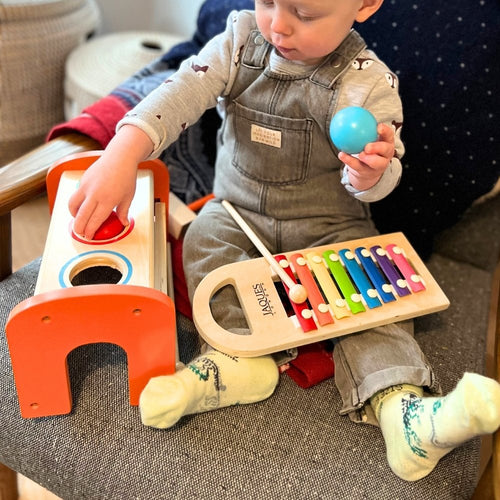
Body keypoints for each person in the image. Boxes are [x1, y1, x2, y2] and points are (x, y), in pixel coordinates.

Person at [68, 0, 500, 482]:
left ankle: (404, 412)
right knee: (204, 239)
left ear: (365, 6)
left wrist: (370, 172)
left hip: (329, 228)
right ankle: (237, 359)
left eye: (305, 14)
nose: (278, 24)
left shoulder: (366, 82)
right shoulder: (238, 42)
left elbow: (382, 178)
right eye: (268, 1)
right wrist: (123, 151)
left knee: (372, 297)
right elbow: (182, 91)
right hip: (236, 211)